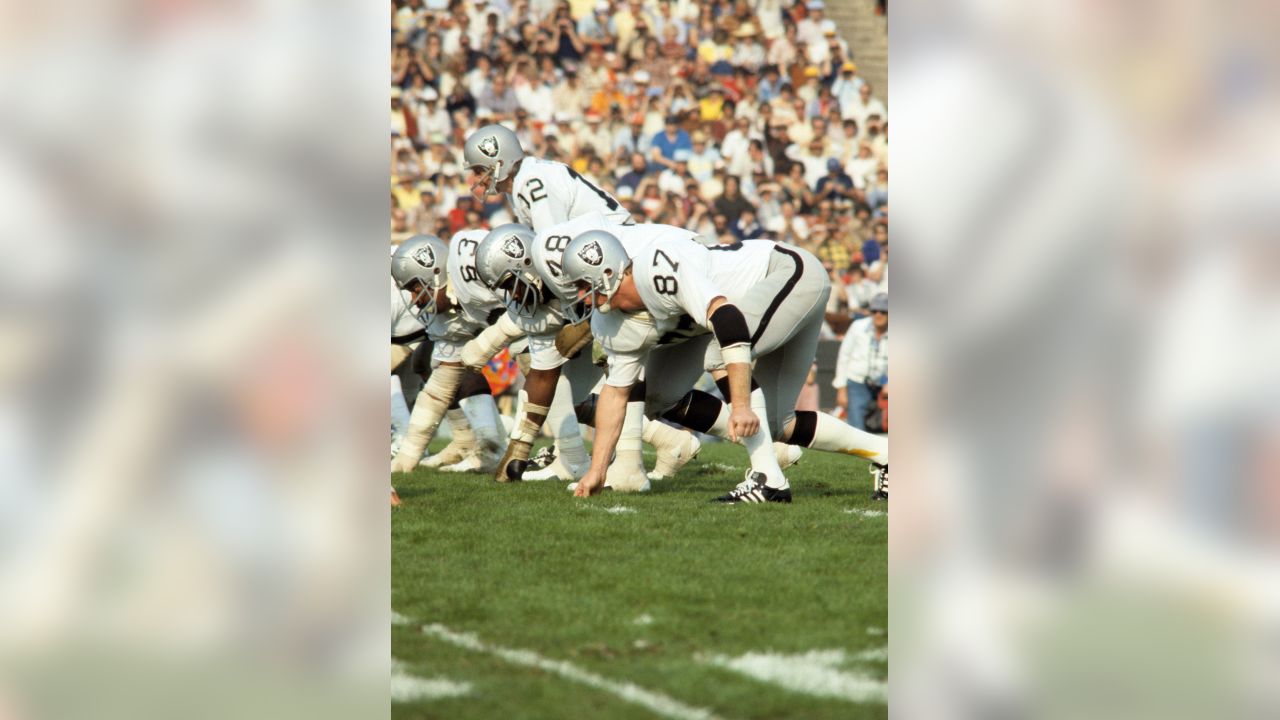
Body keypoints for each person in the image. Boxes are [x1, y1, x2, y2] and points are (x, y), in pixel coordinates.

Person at [563, 229, 889, 503]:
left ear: (607, 273)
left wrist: (742, 405)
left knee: (719, 354)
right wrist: (598, 470)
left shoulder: (656, 269)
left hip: (788, 272)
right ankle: (888, 454)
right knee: (773, 423)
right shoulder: (610, 324)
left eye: (581, 284)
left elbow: (726, 317)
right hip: (754, 303)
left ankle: (768, 481)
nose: (580, 296)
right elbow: (616, 394)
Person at [389, 233, 518, 475]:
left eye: (417, 290)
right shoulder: (439, 314)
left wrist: (492, 339)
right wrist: (408, 454)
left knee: (528, 355)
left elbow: (531, 312)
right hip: (469, 315)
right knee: (430, 362)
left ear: (436, 273)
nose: (415, 300)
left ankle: (562, 449)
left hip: (548, 310)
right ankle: (470, 440)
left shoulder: (475, 264)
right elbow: (440, 387)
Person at [463, 124, 633, 233]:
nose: (475, 178)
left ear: (500, 162)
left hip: (618, 239)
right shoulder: (520, 181)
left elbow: (550, 244)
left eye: (479, 170)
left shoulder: (531, 181)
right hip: (605, 238)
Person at [833, 292, 889, 497]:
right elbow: (844, 355)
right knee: (857, 430)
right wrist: (841, 388)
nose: (879, 315)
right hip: (857, 382)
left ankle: (886, 464)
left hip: (885, 386)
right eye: (875, 311)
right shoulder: (858, 328)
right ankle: (855, 472)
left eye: (884, 311)